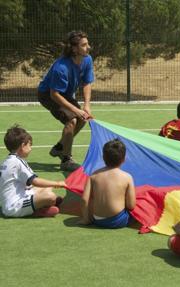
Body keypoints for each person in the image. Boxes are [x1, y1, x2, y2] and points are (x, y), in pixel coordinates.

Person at [37, 31, 95, 172]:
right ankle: (66, 160)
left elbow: (87, 83)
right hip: (48, 94)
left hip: (65, 94)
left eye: (87, 44)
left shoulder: (87, 59)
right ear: (74, 49)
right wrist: (76, 110)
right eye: (84, 45)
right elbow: (54, 94)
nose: (88, 47)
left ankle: (59, 148)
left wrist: (86, 106)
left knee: (83, 119)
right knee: (72, 121)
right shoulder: (61, 67)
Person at [0, 125, 66, 218]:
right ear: (23, 146)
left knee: (47, 188)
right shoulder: (17, 162)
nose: (31, 148)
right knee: (50, 196)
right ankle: (38, 210)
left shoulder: (6, 160)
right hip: (14, 207)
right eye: (29, 145)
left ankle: (44, 204)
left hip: (9, 203)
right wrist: (58, 183)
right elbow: (35, 181)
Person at [79, 139, 136, 228]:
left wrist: (86, 219)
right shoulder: (127, 177)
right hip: (118, 220)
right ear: (124, 159)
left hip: (97, 219)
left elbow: (84, 199)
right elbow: (131, 205)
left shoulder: (94, 175)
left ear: (103, 157)